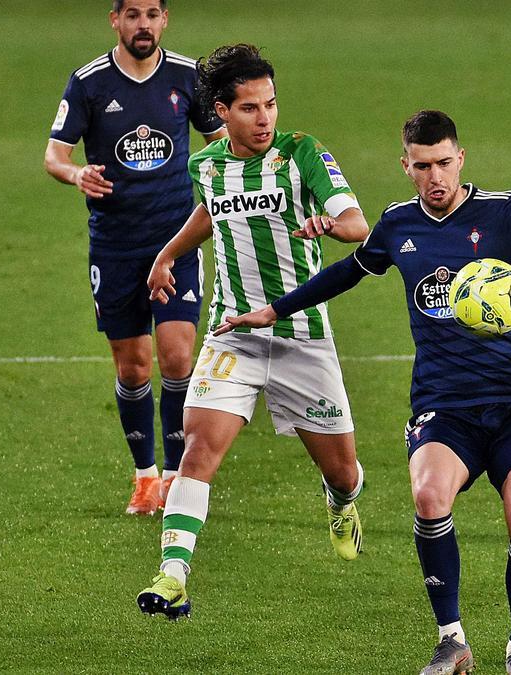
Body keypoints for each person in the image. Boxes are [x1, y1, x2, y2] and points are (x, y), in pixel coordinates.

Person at [217, 110, 511, 675]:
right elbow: (351, 270)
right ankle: (451, 641)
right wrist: (275, 309)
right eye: (423, 165)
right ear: (406, 166)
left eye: (444, 163)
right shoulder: (398, 223)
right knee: (430, 500)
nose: (435, 176)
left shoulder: (505, 212)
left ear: (461, 159)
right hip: (443, 404)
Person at [135, 44, 370, 620]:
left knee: (342, 470)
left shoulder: (303, 154)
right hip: (232, 332)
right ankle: (173, 575)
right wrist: (167, 255)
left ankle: (341, 502)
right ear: (221, 113)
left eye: (270, 105)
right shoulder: (206, 165)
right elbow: (213, 213)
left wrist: (330, 226)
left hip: (301, 335)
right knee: (197, 451)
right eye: (249, 108)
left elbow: (358, 224)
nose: (264, 118)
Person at [43, 0, 227, 515]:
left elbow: (219, 144)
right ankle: (145, 475)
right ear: (115, 21)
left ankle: (175, 475)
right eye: (133, 15)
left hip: (174, 242)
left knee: (177, 356)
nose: (142, 24)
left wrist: (219, 191)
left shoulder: (190, 77)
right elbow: (54, 155)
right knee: (133, 367)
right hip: (116, 245)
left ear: (164, 19)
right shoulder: (89, 82)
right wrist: (77, 174)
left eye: (152, 14)